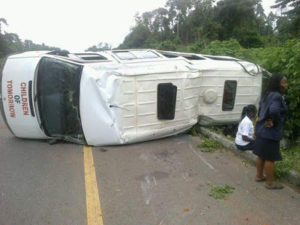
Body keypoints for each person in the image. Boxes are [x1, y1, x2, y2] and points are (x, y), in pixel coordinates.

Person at [253, 73, 288, 189]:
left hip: (261, 129)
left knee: (261, 154)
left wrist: (265, 119)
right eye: (284, 82)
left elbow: (261, 108)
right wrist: (272, 120)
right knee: (270, 158)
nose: (286, 85)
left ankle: (259, 176)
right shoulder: (277, 96)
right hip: (270, 131)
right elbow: (273, 111)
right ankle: (269, 183)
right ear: (277, 84)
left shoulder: (266, 94)